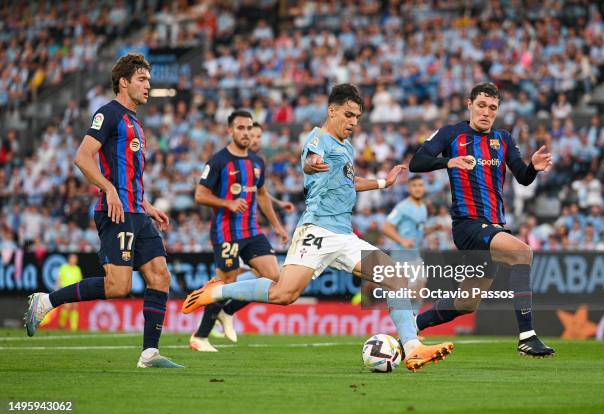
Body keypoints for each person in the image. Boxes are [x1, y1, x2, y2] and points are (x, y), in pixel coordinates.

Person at [183, 84, 454, 372]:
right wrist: (313, 164)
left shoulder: (346, 147)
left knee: (396, 278)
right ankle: (220, 290)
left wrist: (382, 183)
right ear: (332, 111)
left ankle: (412, 348)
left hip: (344, 235)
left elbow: (348, 182)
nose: (353, 122)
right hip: (316, 231)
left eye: (357, 118)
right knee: (283, 295)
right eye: (348, 115)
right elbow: (311, 161)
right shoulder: (318, 138)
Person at [24, 53, 183, 368]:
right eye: (142, 80)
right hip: (117, 213)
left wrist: (147, 205)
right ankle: (46, 301)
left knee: (160, 276)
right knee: (118, 287)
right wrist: (109, 189)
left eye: (149, 80)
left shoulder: (135, 121)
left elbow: (131, 175)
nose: (148, 86)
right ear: (123, 82)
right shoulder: (108, 114)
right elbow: (83, 157)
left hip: (137, 211)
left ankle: (149, 353)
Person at [409, 82, 555, 357]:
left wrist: (533, 168)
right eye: (481, 106)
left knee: (466, 302)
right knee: (522, 253)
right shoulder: (452, 134)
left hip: (492, 227)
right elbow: (417, 161)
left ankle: (411, 325)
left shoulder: (504, 139)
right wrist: (447, 162)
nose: (486, 112)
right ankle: (527, 335)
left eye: (492, 108)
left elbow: (522, 177)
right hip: (467, 225)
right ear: (469, 104)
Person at [188, 110, 289, 352]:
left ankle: (228, 310)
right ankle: (199, 337)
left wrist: (277, 226)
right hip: (226, 233)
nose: (245, 133)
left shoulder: (256, 162)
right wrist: (228, 203)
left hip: (252, 231)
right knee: (226, 282)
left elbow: (262, 195)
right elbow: (200, 195)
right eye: (240, 128)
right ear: (230, 131)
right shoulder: (218, 161)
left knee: (273, 277)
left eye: (248, 128)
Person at [382, 175, 436, 316]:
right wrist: (401, 240)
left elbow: (419, 230)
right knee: (405, 294)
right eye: (414, 185)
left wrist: (433, 229)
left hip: (414, 255)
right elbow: (386, 227)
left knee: (419, 292)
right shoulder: (402, 207)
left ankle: (413, 327)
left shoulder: (423, 207)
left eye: (420, 185)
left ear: (424, 188)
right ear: (409, 188)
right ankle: (405, 328)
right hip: (401, 255)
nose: (418, 188)